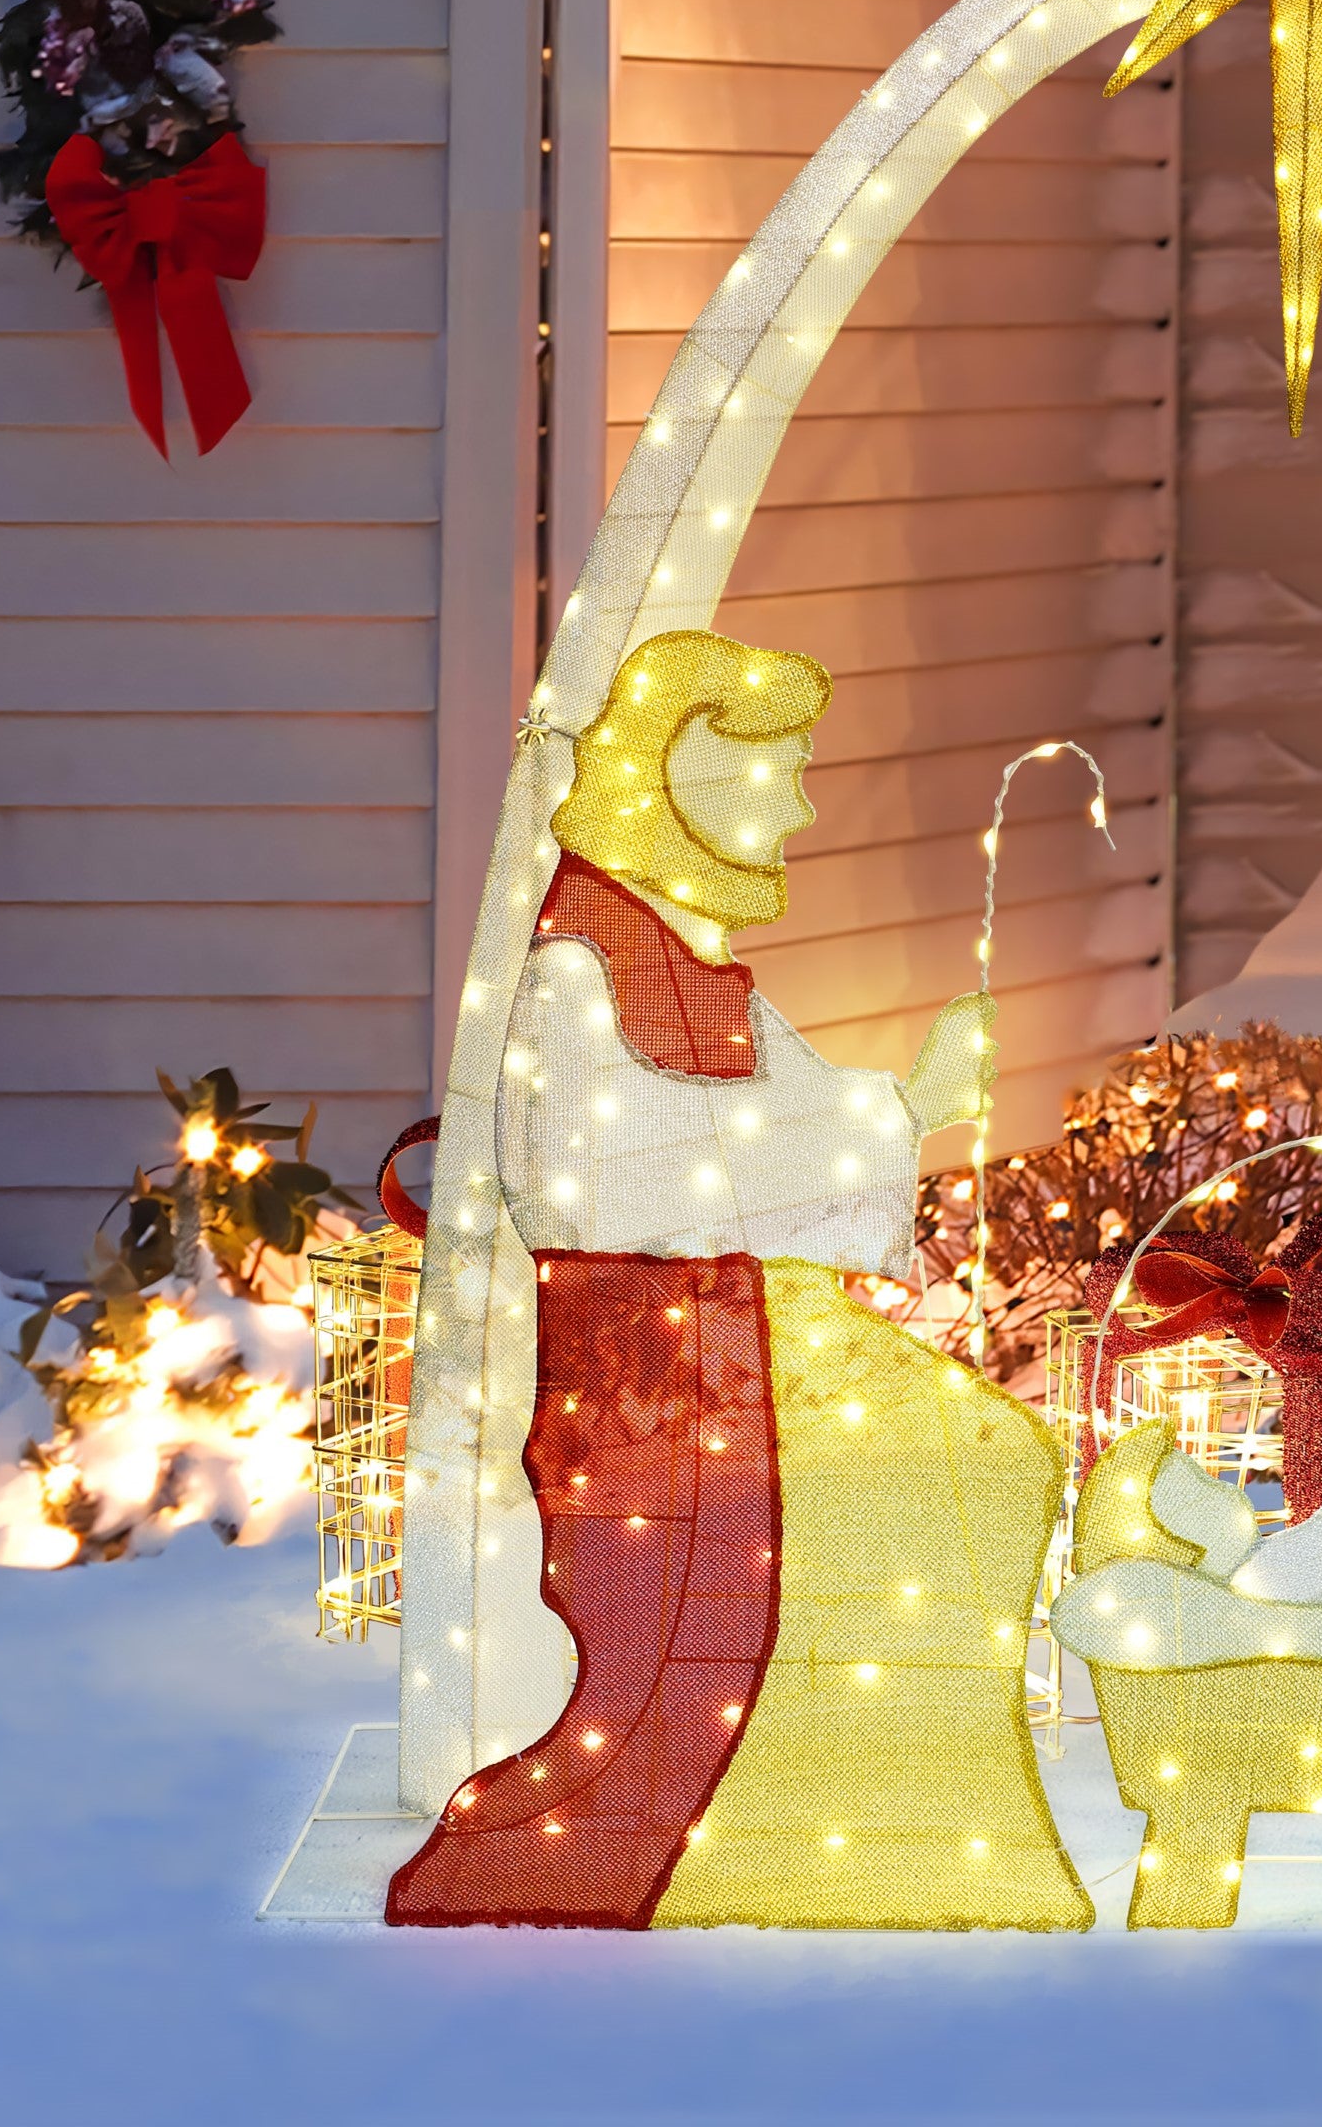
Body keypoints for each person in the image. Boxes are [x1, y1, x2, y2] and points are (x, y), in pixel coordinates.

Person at [388, 629, 1084, 1932]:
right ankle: (763, 1825)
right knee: (964, 1469)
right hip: (651, 1396)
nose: (805, 805)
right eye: (781, 770)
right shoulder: (576, 966)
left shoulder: (692, 967)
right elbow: (595, 1176)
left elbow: (783, 1108)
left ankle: (891, 1804)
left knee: (996, 1456)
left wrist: (907, 1103)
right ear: (676, 773)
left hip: (735, 1348)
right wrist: (894, 1112)